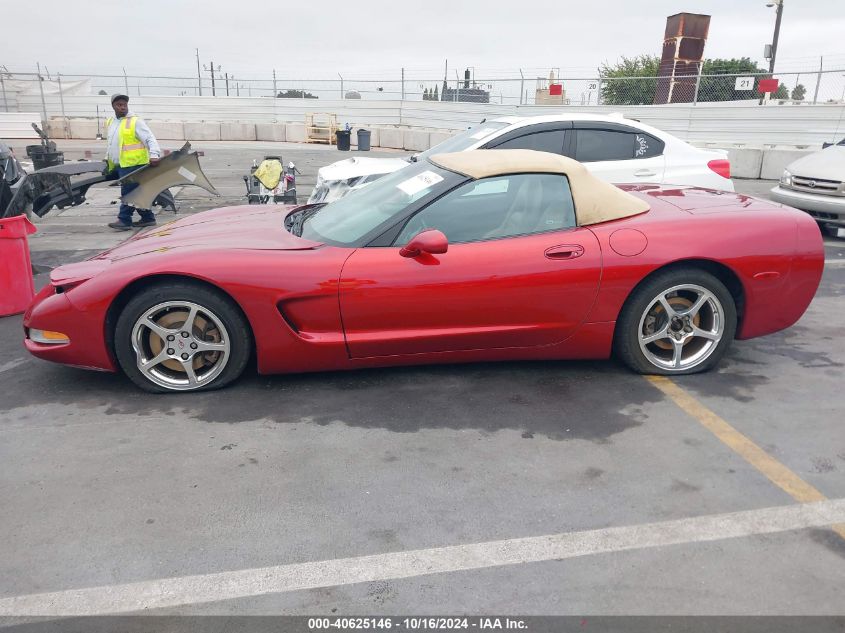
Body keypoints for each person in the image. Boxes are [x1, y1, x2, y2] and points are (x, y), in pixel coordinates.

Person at [104, 93, 162, 230]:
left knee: (129, 193)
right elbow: (111, 143)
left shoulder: (135, 121)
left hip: (135, 164)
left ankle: (124, 220)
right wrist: (108, 160)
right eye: (119, 105)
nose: (122, 107)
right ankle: (148, 218)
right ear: (113, 106)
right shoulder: (110, 122)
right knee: (137, 193)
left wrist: (154, 154)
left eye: (124, 104)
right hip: (121, 165)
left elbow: (150, 139)